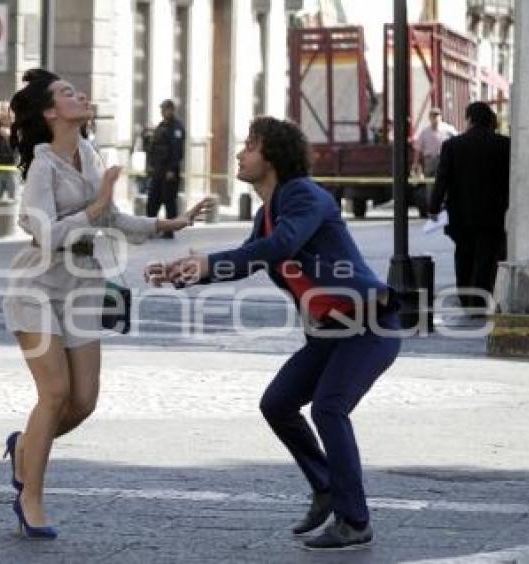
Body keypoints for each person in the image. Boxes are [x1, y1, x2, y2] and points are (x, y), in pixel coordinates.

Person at [146, 116, 401, 551]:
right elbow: (251, 257)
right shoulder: (268, 213)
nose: (241, 153)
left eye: (250, 145)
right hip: (330, 332)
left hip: (368, 325)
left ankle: (354, 521)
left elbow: (283, 246)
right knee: (278, 403)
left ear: (273, 155)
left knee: (328, 408)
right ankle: (325, 486)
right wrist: (186, 273)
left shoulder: (304, 196)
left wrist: (206, 261)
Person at [1, 69, 211, 539]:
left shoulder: (90, 153)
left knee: (84, 401)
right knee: (54, 395)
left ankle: (24, 451)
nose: (80, 95)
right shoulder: (42, 167)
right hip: (36, 286)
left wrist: (170, 224)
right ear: (51, 112)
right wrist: (95, 207)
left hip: (83, 285)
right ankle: (30, 499)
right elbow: (47, 234)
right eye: (67, 92)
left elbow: (113, 218)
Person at [429, 101, 510, 313]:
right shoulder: (505, 145)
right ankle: (481, 300)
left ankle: (466, 300)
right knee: (486, 256)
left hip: (461, 214)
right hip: (493, 214)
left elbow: (442, 180)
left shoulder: (453, 146)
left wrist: (433, 207)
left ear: (470, 119)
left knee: (463, 255)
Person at [146, 99, 186, 238]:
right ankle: (150, 229)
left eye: (164, 110)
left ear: (171, 110)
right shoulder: (161, 126)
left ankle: (169, 231)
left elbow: (177, 151)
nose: (162, 112)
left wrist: (171, 169)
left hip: (169, 171)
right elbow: (153, 147)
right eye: (161, 110)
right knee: (152, 200)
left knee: (169, 202)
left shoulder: (177, 128)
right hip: (158, 170)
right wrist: (150, 166)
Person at [411, 107, 457, 178]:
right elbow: (418, 149)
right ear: (429, 118)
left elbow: (459, 141)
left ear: (441, 117)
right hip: (429, 160)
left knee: (444, 180)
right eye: (433, 116)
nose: (435, 118)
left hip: (443, 159)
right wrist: (415, 163)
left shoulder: (449, 130)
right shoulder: (425, 132)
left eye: (437, 115)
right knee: (430, 183)